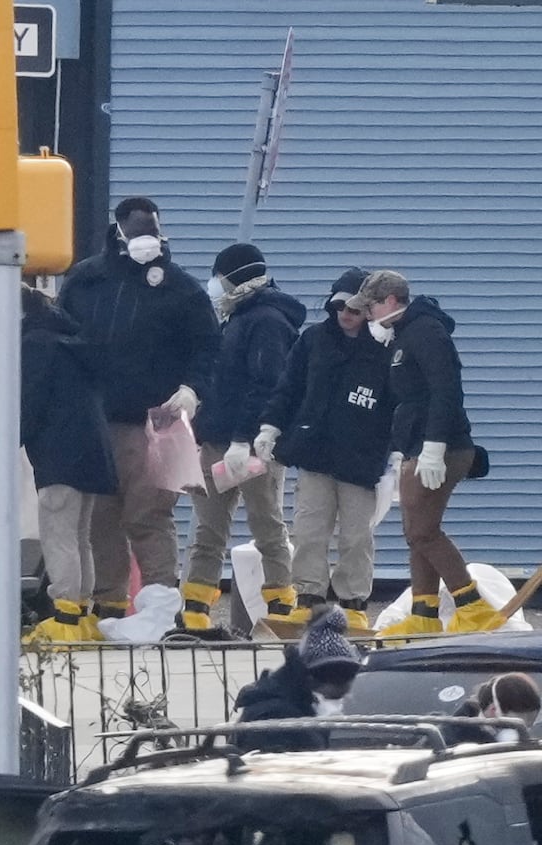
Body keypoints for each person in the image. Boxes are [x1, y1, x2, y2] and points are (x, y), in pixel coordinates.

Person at [58, 198, 220, 625]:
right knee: (102, 519)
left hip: (159, 419)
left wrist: (192, 389)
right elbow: (61, 337)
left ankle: (161, 603)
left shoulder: (180, 289)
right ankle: (110, 604)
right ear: (118, 233)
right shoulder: (87, 281)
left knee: (149, 515)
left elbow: (208, 346)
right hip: (96, 417)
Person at [349, 271, 500, 635]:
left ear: (389, 301)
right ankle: (424, 615)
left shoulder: (426, 331)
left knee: (423, 531)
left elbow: (445, 389)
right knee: (416, 532)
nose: (367, 315)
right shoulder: (403, 336)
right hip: (418, 447)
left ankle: (474, 608)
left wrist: (434, 446)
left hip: (444, 449)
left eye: (369, 307)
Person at [255, 268, 394, 632]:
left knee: (356, 536)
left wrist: (396, 452)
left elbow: (398, 402)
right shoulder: (313, 341)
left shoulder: (384, 350)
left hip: (360, 460)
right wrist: (271, 426)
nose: (345, 314)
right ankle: (309, 598)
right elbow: (288, 389)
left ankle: (353, 603)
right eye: (338, 307)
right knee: (309, 530)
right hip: (315, 453)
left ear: (368, 310)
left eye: (353, 308)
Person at [180, 243, 304, 632]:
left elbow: (265, 384)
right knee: (207, 529)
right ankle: (194, 611)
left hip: (253, 447)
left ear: (233, 277)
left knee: (267, 526)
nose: (213, 285)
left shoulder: (266, 321)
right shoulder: (235, 317)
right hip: (218, 441)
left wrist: (242, 438)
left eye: (218, 277)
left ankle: (281, 607)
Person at [21, 285, 118, 641]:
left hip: (58, 456)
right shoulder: (72, 343)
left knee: (59, 536)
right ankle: (82, 616)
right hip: (91, 454)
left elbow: (30, 401)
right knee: (80, 538)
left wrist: (4, 441)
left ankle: (64, 621)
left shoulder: (35, 346)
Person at [233, 606, 362, 750]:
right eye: (337, 694)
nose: (341, 702)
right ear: (313, 679)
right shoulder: (277, 719)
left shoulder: (298, 708)